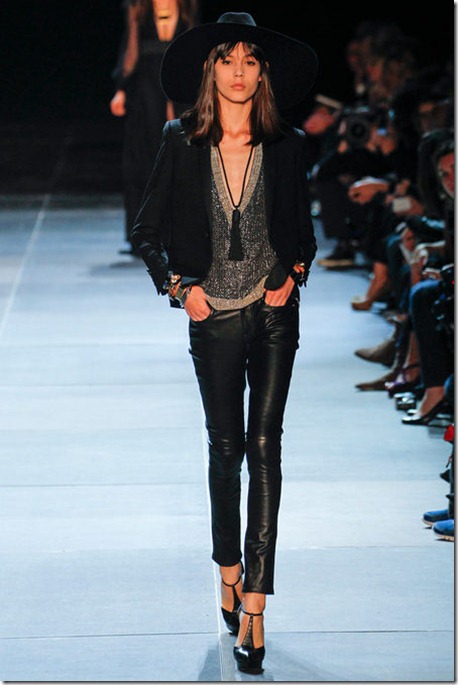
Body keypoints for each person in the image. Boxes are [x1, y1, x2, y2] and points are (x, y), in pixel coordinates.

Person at [131, 12, 318, 674]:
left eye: (250, 60)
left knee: (266, 447)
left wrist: (293, 273)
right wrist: (178, 288)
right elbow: (146, 230)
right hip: (211, 314)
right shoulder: (180, 140)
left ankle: (257, 607)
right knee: (227, 448)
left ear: (263, 74)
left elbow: (304, 232)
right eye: (227, 60)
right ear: (210, 72)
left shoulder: (288, 144)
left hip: (273, 315)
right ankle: (229, 569)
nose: (239, 72)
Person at [110, 0, 199, 255]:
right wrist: (121, 88)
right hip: (146, 91)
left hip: (179, 90)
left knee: (181, 162)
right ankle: (143, 236)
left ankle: (179, 233)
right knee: (144, 161)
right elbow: (130, 49)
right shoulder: (139, 9)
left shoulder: (188, 8)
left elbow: (194, 51)